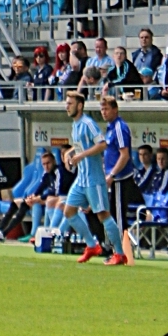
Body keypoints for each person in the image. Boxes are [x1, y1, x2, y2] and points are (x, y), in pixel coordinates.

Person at [60, 89, 112, 262]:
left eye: (70, 104)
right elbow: (81, 145)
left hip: (93, 178)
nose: (67, 106)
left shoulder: (88, 123)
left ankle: (117, 251)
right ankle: (91, 245)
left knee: (103, 215)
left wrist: (80, 155)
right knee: (69, 211)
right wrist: (70, 152)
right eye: (66, 103)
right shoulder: (75, 124)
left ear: (80, 106)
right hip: (81, 177)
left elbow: (102, 144)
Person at [99, 91, 136, 265]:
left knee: (119, 216)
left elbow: (124, 154)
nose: (103, 112)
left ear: (115, 109)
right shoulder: (110, 128)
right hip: (113, 178)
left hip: (121, 178)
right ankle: (114, 249)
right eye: (102, 109)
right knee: (112, 214)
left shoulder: (120, 128)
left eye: (106, 109)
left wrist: (112, 174)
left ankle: (120, 253)